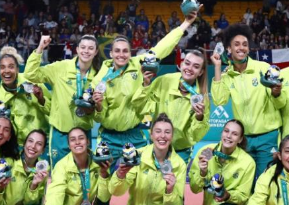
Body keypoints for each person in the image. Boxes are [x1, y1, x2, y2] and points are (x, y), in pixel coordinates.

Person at [91, 9, 198, 167]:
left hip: (135, 134)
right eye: (117, 51)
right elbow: (98, 117)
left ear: (130, 53)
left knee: (142, 180)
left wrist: (186, 23)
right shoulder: (100, 79)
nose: (122, 55)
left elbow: (163, 46)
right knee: (104, 181)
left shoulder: (139, 63)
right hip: (109, 136)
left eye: (125, 51)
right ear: (111, 54)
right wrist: (98, 106)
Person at [210, 24, 283, 178]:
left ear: (249, 49)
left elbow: (280, 103)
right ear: (228, 49)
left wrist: (277, 93)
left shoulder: (263, 68)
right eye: (236, 44)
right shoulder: (226, 75)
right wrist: (217, 68)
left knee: (266, 181)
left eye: (245, 44)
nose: (241, 48)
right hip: (244, 140)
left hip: (268, 137)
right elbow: (219, 100)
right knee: (246, 182)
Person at [23, 34, 100, 167]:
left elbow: (100, 110)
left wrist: (92, 110)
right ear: (77, 49)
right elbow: (30, 74)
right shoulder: (60, 68)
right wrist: (41, 47)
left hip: (83, 133)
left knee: (83, 172)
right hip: (60, 133)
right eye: (83, 47)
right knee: (58, 172)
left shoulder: (99, 75)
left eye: (90, 48)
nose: (86, 51)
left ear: (96, 52)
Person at [133, 48, 210, 164]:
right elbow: (140, 107)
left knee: (174, 182)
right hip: (157, 145)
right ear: (181, 64)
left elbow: (196, 136)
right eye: (187, 63)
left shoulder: (202, 98)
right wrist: (145, 85)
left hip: (181, 151)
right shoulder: (164, 81)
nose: (189, 68)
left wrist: (199, 118)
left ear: (200, 72)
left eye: (196, 66)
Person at [0, 46, 51, 144]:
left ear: (17, 69)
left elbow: (53, 110)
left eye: (11, 67)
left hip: (45, 140)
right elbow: (5, 129)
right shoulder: (0, 100)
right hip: (21, 145)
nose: (6, 71)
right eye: (2, 67)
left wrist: (41, 99)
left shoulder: (31, 81)